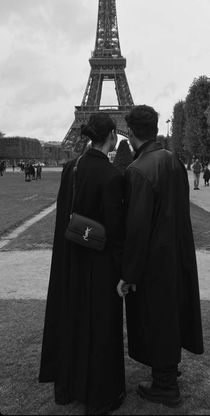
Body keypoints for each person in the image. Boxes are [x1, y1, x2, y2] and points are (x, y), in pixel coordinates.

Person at [117, 105, 204, 408]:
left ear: (129, 132)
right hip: (177, 252)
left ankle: (165, 387)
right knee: (170, 316)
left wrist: (128, 274)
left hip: (154, 261)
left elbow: (137, 230)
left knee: (155, 320)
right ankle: (167, 372)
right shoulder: (173, 161)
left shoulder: (137, 170)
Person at [39, 113, 126, 415]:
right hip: (100, 263)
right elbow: (115, 233)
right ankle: (100, 394)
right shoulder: (113, 176)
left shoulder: (70, 168)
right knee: (100, 327)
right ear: (112, 136)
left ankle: (67, 386)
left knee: (71, 320)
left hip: (71, 258)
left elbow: (64, 213)